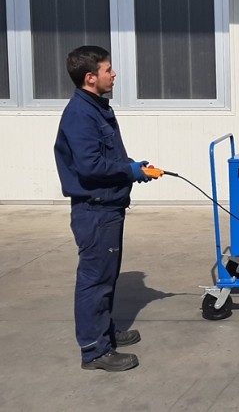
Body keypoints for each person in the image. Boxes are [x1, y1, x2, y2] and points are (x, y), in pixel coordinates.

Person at [54, 45, 154, 372]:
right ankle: (94, 351)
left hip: (107, 207)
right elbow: (90, 166)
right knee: (95, 281)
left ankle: (104, 331)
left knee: (106, 278)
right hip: (95, 211)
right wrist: (129, 171)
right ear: (90, 77)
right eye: (108, 69)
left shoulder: (95, 108)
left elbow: (106, 157)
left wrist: (133, 167)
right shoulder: (80, 114)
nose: (114, 74)